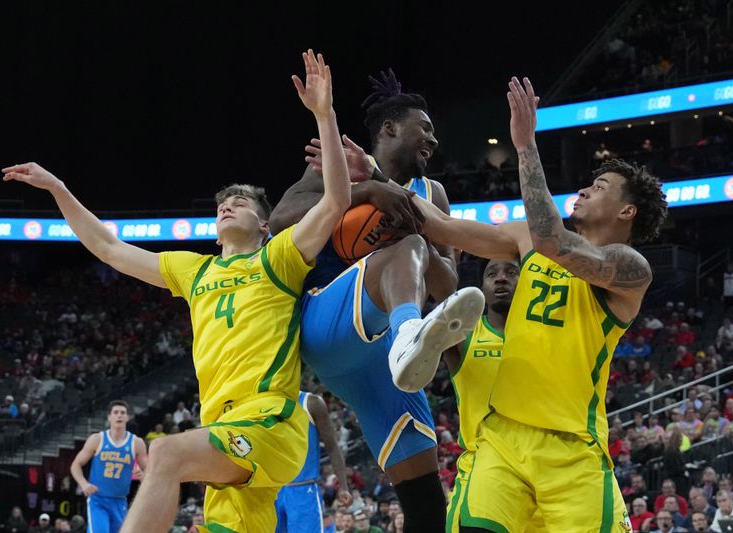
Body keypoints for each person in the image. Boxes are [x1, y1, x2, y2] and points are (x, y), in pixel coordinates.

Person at [4, 49, 350, 532]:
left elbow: (336, 199)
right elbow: (107, 246)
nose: (228, 206)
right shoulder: (195, 272)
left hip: (268, 422)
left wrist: (325, 115)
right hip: (222, 434)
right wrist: (59, 187)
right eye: (223, 204)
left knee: (165, 450)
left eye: (241, 202)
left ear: (265, 224)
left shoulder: (279, 258)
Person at [418, 77, 668, 531]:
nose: (588, 189)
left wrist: (526, 146)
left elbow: (552, 241)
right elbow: (442, 226)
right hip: (502, 436)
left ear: (627, 212)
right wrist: (374, 177)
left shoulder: (629, 270)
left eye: (601, 185)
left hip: (572, 450)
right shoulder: (522, 239)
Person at [270, 69, 482, 531]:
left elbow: (448, 285)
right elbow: (279, 220)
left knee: (426, 501)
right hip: (326, 321)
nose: (432, 139)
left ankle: (409, 337)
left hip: (385, 360)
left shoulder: (433, 194)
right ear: (389, 128)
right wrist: (361, 190)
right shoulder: (338, 160)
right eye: (423, 128)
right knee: (403, 250)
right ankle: (409, 330)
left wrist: (414, 224)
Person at [442, 260, 545, 533]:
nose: (501, 279)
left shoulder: (549, 334)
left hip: (548, 471)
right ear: (481, 288)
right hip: (489, 472)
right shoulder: (463, 335)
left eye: (512, 273)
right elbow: (441, 289)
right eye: (492, 274)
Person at [275, 391, 352, 532]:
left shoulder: (311, 403)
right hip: (270, 490)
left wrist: (343, 486)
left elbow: (333, 446)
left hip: (304, 489)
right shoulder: (261, 401)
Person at [69, 400, 147, 533]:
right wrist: (84, 484)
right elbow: (75, 465)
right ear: (109, 417)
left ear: (127, 417)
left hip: (120, 501)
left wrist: (144, 476)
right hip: (98, 500)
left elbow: (150, 472)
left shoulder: (137, 443)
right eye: (115, 412)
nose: (119, 415)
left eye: (122, 413)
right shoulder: (97, 439)